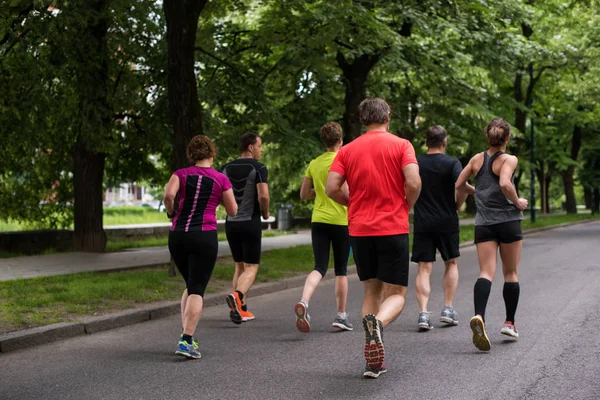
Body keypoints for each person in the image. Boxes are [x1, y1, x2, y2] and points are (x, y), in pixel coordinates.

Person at [326, 98, 421, 379]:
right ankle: (378, 325)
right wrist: (406, 204)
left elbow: (332, 188)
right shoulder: (402, 145)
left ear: (362, 119)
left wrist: (350, 203)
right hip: (393, 227)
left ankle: (373, 362)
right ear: (388, 116)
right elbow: (414, 182)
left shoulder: (347, 150)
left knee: (371, 291)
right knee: (397, 294)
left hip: (360, 230)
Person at [455, 118, 528, 352]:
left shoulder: (477, 159)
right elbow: (506, 183)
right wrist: (517, 202)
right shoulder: (509, 159)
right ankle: (509, 323)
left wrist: (478, 191)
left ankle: (479, 317)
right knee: (511, 273)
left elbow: (459, 183)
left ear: (488, 137)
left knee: (486, 272)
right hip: (508, 222)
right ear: (507, 138)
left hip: (484, 224)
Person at [164, 135, 238, 359]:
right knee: (197, 288)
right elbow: (233, 210)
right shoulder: (220, 179)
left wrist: (171, 212)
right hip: (204, 236)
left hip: (177, 236)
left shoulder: (180, 174)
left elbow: (168, 194)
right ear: (212, 154)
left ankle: (186, 334)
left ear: (191, 154)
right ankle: (186, 341)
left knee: (190, 284)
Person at [295, 122, 352, 333]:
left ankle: (304, 301)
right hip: (340, 221)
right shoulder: (343, 161)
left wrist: (318, 194)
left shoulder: (314, 163)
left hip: (318, 220)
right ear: (340, 141)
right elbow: (344, 192)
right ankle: (341, 316)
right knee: (341, 271)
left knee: (319, 267)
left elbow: (303, 194)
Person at [412, 126, 468, 331]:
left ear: (426, 142)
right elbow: (462, 185)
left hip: (423, 220)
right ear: (444, 142)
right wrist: (458, 205)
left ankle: (424, 314)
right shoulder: (452, 163)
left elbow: (408, 186)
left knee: (424, 268)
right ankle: (447, 308)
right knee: (451, 263)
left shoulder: (415, 163)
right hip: (447, 219)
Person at [219, 132, 270, 324]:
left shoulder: (224, 168)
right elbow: (263, 196)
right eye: (260, 146)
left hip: (231, 224)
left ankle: (242, 310)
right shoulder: (258, 168)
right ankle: (238, 296)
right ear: (251, 147)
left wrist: (231, 209)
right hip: (250, 222)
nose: (261, 149)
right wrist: (265, 213)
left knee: (238, 265)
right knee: (252, 267)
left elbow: (218, 196)